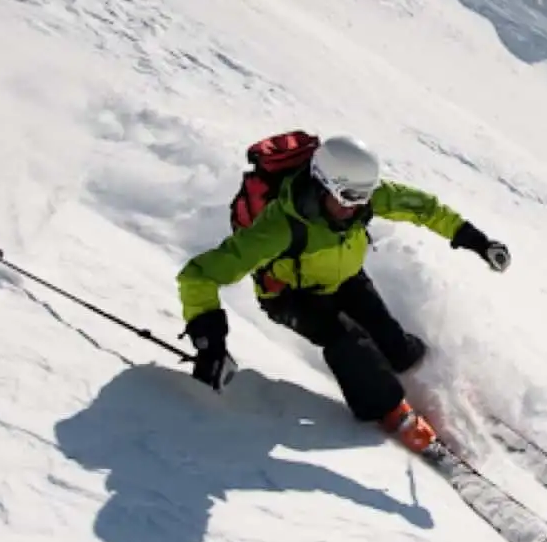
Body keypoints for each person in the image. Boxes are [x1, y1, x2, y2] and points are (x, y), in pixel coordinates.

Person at [177, 135, 511, 452]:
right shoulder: (279, 227)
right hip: (292, 295)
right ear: (323, 185)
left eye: (364, 197)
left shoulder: (360, 199)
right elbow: (198, 276)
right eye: (350, 198)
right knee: (349, 344)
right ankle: (392, 412)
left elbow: (423, 207)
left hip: (345, 278)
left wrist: (478, 242)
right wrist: (211, 345)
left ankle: (428, 381)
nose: (358, 207)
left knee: (394, 343)